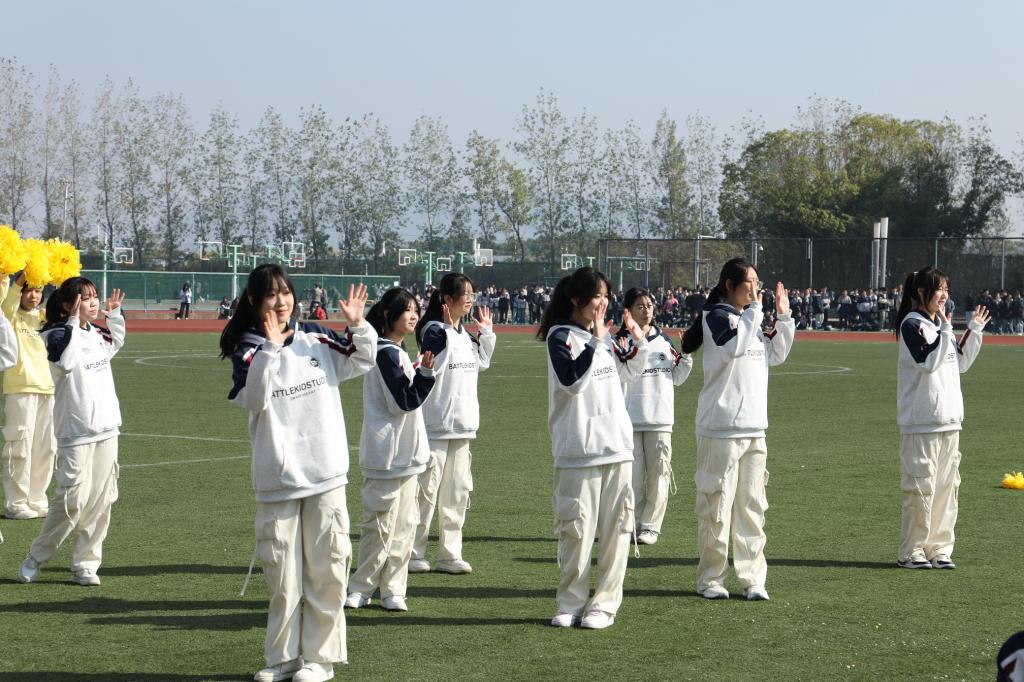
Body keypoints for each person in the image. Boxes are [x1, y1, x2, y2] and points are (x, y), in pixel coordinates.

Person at [221, 264, 376, 682]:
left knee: (328, 568)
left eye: (286, 293)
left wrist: (358, 326)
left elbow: (363, 360)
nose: (281, 302)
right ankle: (284, 658)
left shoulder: (316, 337)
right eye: (272, 295)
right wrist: (271, 349)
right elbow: (254, 399)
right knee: (282, 576)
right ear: (254, 300)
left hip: (325, 474)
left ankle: (320, 659)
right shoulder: (249, 348)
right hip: (279, 480)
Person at [681, 257, 794, 601]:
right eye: (750, 282)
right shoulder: (717, 315)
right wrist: (756, 310)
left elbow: (775, 354)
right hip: (720, 428)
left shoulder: (750, 320)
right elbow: (733, 346)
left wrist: (784, 318)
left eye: (758, 282)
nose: (756, 288)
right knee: (716, 508)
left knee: (752, 507)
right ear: (730, 284)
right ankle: (711, 579)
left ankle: (753, 578)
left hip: (754, 428)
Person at [540, 266, 647, 630]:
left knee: (617, 532)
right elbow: (571, 382)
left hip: (616, 447)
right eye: (597, 296)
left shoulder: (602, 337)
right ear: (576, 299)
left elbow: (628, 373)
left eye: (606, 296)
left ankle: (604, 605)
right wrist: (597, 342)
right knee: (576, 531)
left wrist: (638, 343)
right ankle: (570, 602)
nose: (603, 302)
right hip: (577, 450)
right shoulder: (561, 336)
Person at [18, 278, 126, 588]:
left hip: (107, 429)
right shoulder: (56, 334)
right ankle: (36, 556)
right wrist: (74, 324)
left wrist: (114, 315)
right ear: (68, 304)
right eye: (86, 298)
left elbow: (115, 344)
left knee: (102, 501)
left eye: (95, 297)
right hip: (76, 432)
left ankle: (86, 565)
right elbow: (65, 363)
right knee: (71, 501)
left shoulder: (97, 333)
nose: (94, 302)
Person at [346, 288, 435, 613]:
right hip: (386, 455)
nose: (414, 316)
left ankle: (394, 589)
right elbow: (404, 401)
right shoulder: (385, 352)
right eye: (407, 310)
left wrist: (421, 372)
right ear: (388, 315)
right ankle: (361, 586)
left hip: (406, 455)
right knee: (378, 525)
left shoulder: (397, 352)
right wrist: (426, 375)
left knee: (405, 526)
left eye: (416, 310)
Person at [894, 267, 988, 570]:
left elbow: (959, 363)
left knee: (947, 489)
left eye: (947, 288)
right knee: (920, 489)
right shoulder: (912, 324)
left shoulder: (940, 325)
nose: (945, 295)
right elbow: (928, 362)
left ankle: (940, 548)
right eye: (939, 289)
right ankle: (912, 551)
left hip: (949, 420)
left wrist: (974, 330)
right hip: (921, 421)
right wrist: (946, 332)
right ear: (921, 292)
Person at [409, 272, 495, 575]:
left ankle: (450, 554)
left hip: (463, 425)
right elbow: (432, 365)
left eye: (473, 294)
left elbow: (481, 363)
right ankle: (413, 553)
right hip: (436, 424)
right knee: (425, 493)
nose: (470, 300)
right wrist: (447, 330)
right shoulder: (434, 329)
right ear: (447, 299)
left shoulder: (462, 333)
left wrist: (487, 335)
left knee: (457, 494)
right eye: (465, 294)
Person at [613, 287, 693, 546]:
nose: (646, 310)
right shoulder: (620, 341)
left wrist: (686, 355)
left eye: (649, 305)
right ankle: (632, 523)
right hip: (629, 420)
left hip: (660, 419)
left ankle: (650, 527)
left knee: (659, 475)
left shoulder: (664, 341)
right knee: (632, 478)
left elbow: (677, 378)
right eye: (640, 306)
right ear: (628, 311)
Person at [1, 273, 56, 520]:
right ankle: (16, 503)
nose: (34, 296)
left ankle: (37, 498)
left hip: (48, 389)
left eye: (38, 290)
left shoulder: (44, 318)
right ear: (20, 292)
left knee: (46, 448)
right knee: (19, 447)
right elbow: (7, 305)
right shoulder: (9, 316)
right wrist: (19, 279)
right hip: (20, 389)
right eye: (29, 290)